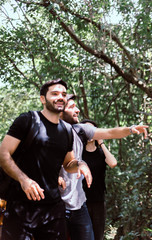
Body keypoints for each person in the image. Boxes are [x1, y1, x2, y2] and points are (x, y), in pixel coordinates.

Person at [0, 79, 92, 240]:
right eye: (54, 94)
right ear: (43, 99)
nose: (60, 97)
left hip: (53, 210)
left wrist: (81, 164)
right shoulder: (28, 120)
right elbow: (3, 154)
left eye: (63, 94)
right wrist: (24, 180)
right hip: (21, 207)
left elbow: (68, 163)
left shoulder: (67, 130)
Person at [59, 94, 148, 240]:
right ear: (60, 111)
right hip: (56, 204)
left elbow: (110, 132)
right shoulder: (47, 134)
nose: (77, 110)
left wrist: (131, 129)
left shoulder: (81, 130)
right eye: (72, 107)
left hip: (79, 204)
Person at [81, 119, 117, 240]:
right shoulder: (78, 153)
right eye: (86, 130)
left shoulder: (101, 153)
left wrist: (101, 142)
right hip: (81, 202)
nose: (89, 133)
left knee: (98, 236)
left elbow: (113, 163)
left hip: (98, 201)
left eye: (92, 131)